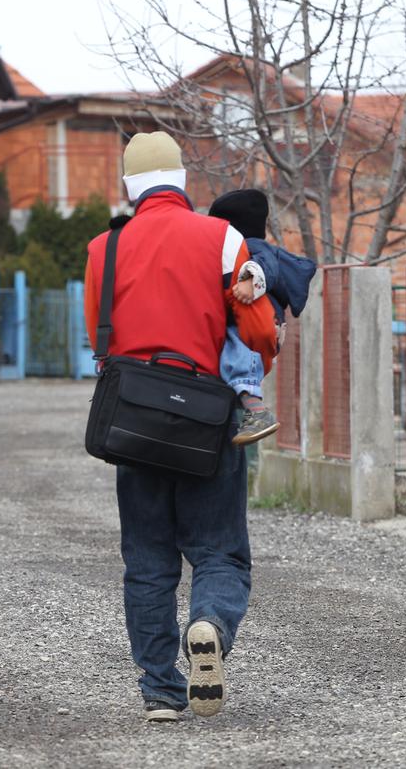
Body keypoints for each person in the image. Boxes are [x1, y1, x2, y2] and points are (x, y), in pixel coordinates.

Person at [83, 132, 278, 723]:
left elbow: (99, 336)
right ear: (181, 180)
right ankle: (210, 625)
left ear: (129, 187)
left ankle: (161, 691)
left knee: (147, 561)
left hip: (134, 421)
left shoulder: (103, 248)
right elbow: (259, 329)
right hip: (207, 418)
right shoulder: (223, 237)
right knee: (219, 551)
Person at [207, 189, 319, 445]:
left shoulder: (253, 248)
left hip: (260, 325)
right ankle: (245, 401)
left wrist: (250, 281)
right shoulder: (241, 249)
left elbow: (265, 266)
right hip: (265, 325)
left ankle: (256, 410)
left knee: (237, 345)